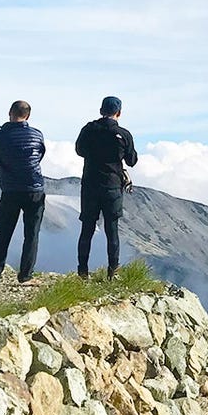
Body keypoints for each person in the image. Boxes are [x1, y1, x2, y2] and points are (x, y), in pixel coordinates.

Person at [74, 95, 139, 280]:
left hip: (90, 185)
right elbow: (131, 160)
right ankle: (113, 271)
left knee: (87, 229)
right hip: (112, 186)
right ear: (119, 113)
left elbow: (79, 150)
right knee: (112, 230)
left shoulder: (88, 129)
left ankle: (82, 271)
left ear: (101, 111)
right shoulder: (123, 134)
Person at [0, 100, 46, 285]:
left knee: (2, 232)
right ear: (28, 116)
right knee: (32, 234)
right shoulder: (37, 134)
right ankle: (25, 276)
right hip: (34, 188)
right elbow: (40, 155)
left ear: (9, 113)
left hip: (10, 189)